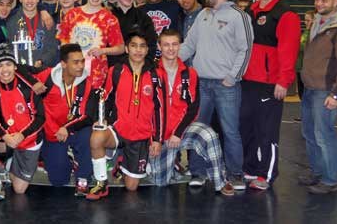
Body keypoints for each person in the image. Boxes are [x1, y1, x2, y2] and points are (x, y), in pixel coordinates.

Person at [179, 0, 254, 191]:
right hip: (201, 83)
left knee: (230, 131)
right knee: (196, 129)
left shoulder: (238, 16)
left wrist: (233, 77)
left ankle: (235, 174)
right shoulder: (203, 14)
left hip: (225, 85)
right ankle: (198, 172)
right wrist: (166, 63)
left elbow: (246, 48)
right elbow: (188, 46)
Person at [149, 29, 234, 196]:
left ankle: (220, 181)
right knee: (160, 183)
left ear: (180, 46)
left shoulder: (190, 73)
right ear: (159, 46)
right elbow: (148, 110)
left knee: (208, 134)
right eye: (166, 45)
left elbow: (193, 107)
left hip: (181, 132)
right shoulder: (151, 73)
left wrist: (178, 133)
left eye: (174, 44)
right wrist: (155, 139)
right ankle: (168, 165)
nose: (171, 49)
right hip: (159, 137)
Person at [241, 0, 301, 190]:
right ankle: (249, 168)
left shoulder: (286, 15)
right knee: (246, 127)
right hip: (247, 81)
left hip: (270, 84)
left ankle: (266, 174)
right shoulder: (251, 11)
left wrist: (283, 81)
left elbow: (289, 50)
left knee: (267, 130)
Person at [86, 31, 164, 200]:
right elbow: (105, 98)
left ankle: (121, 163)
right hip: (119, 128)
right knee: (96, 138)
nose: (138, 50)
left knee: (131, 188)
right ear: (127, 49)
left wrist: (156, 139)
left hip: (141, 135)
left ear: (147, 50)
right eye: (134, 45)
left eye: (142, 46)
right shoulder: (117, 71)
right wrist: (101, 120)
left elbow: (159, 109)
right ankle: (101, 183)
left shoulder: (156, 74)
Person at [299, 0, 337, 194]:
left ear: (336, 2)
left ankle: (330, 180)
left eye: (324, 0)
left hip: (325, 91)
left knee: (324, 135)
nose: (319, 4)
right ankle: (317, 172)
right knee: (309, 133)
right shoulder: (316, 22)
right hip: (310, 89)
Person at [0, 43, 45, 201]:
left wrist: (22, 135)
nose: (5, 70)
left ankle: (10, 163)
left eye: (9, 64)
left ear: (16, 67)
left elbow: (40, 118)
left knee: (19, 190)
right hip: (9, 140)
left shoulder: (29, 88)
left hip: (29, 140)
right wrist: (6, 136)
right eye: (0, 66)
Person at [35, 44, 97, 195]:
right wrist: (32, 83)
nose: (80, 66)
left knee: (88, 135)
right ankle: (65, 159)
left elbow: (87, 116)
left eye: (82, 61)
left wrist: (67, 128)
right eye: (75, 62)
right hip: (54, 133)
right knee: (58, 181)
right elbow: (21, 70)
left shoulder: (86, 83)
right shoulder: (47, 77)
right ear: (63, 64)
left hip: (75, 129)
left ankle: (83, 177)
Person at [58, 0, 125, 89]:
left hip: (96, 75)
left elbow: (121, 48)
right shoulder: (72, 14)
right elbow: (63, 41)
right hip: (71, 73)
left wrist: (102, 50)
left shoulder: (110, 18)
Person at [6, 0, 59, 68]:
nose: (30, 1)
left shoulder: (47, 20)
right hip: (19, 69)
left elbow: (52, 47)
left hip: (42, 68)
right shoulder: (12, 21)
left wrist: (42, 60)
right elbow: (9, 47)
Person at [109, 0, 157, 65]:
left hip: (137, 68)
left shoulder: (144, 18)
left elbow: (151, 45)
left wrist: (146, 65)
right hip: (112, 67)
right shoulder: (107, 16)